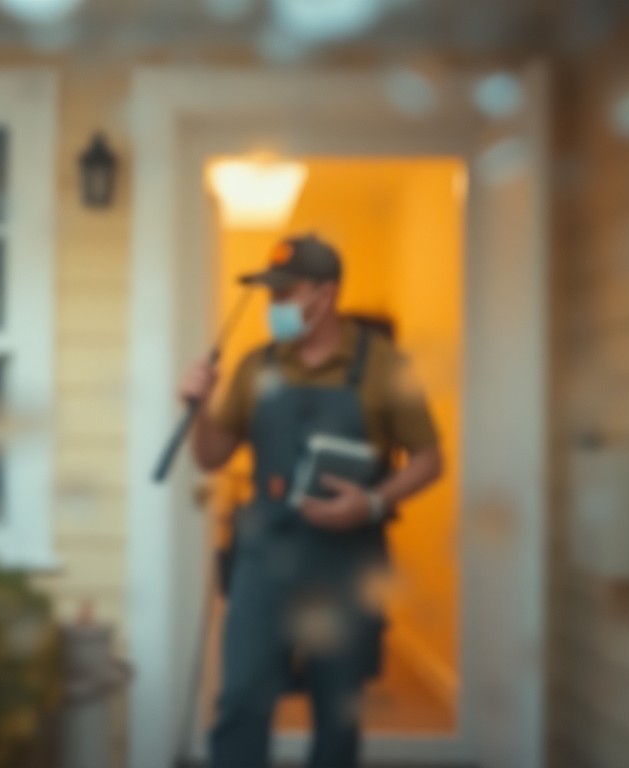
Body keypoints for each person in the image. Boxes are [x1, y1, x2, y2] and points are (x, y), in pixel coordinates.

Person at [178, 234, 443, 768]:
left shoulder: (388, 367)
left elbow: (429, 460)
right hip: (263, 556)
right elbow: (210, 457)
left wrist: (370, 503)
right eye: (268, 296)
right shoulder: (257, 366)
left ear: (325, 295)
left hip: (347, 562)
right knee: (241, 699)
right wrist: (199, 410)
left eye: (284, 294)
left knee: (337, 712)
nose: (273, 307)